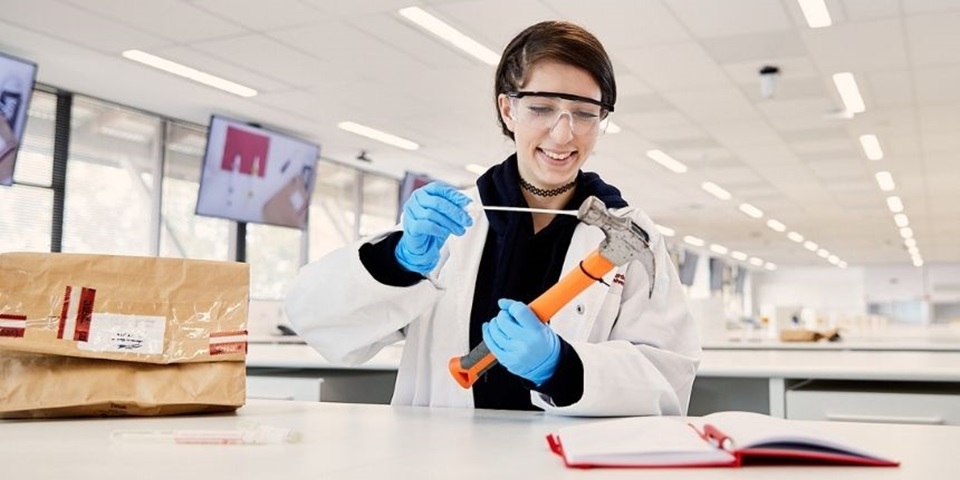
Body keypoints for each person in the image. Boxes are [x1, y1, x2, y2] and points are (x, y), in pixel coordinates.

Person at [285, 21, 700, 416]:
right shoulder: (451, 221)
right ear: (508, 109)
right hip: (444, 457)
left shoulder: (633, 233)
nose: (563, 133)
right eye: (541, 108)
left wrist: (562, 367)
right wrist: (397, 262)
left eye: (585, 113)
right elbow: (314, 319)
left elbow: (668, 376)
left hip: (568, 460)